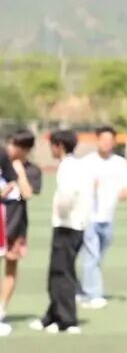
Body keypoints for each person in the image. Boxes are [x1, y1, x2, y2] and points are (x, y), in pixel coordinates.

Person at [29, 129, 92, 335]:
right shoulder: (77, 165)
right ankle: (52, 316)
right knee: (58, 272)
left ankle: (67, 320)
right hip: (74, 225)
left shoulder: (68, 166)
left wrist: (61, 214)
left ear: (59, 146)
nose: (51, 150)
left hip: (68, 226)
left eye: (52, 146)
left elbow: (67, 195)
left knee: (62, 274)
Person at [78, 125, 127, 309]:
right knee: (92, 256)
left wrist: (125, 192)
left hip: (108, 217)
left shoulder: (119, 163)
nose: (106, 143)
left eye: (109, 140)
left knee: (97, 257)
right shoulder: (86, 162)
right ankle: (94, 295)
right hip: (89, 217)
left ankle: (82, 290)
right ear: (97, 140)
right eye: (103, 139)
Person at [1, 130, 41, 329]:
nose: (11, 148)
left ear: (26, 149)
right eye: (11, 143)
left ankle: (1, 310)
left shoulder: (32, 170)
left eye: (16, 145)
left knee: (11, 268)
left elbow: (27, 193)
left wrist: (19, 173)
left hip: (16, 226)